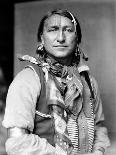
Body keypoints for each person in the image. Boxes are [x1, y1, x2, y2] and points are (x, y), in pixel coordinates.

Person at [2, 9, 110, 155]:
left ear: (77, 38)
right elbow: (17, 144)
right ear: (42, 38)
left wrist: (98, 152)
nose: (60, 37)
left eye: (68, 30)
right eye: (53, 30)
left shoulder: (88, 82)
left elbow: (99, 128)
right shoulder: (27, 80)